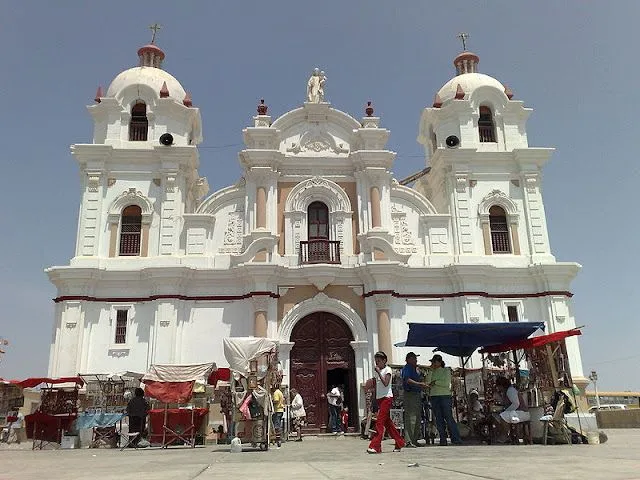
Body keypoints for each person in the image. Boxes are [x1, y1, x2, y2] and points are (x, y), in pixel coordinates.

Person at [367, 351, 405, 454]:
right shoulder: (378, 371)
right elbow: (377, 386)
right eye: (376, 361)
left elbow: (385, 383)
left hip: (386, 398)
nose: (377, 363)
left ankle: (375, 445)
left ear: (384, 360)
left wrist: (379, 372)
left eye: (378, 361)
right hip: (380, 398)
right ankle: (399, 442)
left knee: (379, 422)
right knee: (388, 423)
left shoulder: (387, 370)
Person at [428, 354, 462, 446]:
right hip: (434, 396)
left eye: (434, 362)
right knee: (438, 419)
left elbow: (446, 383)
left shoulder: (446, 370)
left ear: (439, 362)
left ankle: (456, 438)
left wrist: (435, 382)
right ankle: (443, 439)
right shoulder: (432, 372)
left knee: (448, 418)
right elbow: (427, 382)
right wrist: (431, 371)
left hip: (445, 396)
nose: (433, 364)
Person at [401, 352, 428, 447]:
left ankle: (414, 439)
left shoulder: (414, 369)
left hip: (416, 394)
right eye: (414, 359)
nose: (416, 360)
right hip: (410, 394)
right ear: (409, 359)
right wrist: (419, 384)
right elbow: (407, 379)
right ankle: (409, 440)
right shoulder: (407, 368)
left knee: (417, 417)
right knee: (411, 417)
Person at [271, 384, 285, 448]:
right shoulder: (280, 392)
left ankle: (278, 439)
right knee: (278, 424)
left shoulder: (276, 393)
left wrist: (271, 402)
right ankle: (278, 438)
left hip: (277, 410)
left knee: (276, 425)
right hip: (280, 410)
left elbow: (276, 400)